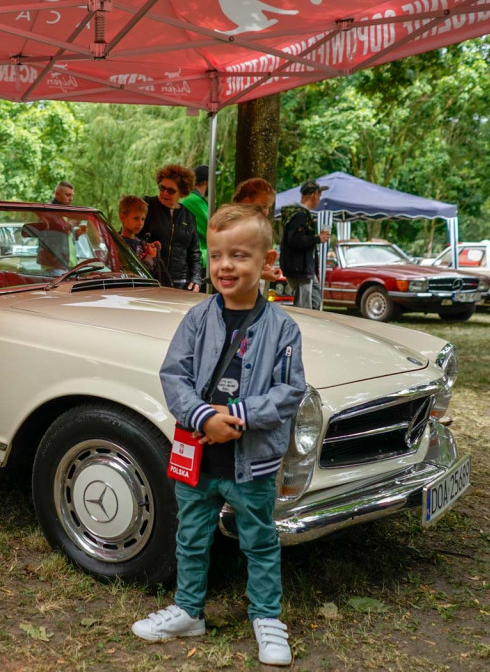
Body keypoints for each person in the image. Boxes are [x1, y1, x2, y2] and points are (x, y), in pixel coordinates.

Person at [132, 202, 305, 667]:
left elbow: (290, 391)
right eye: (216, 255)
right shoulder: (196, 318)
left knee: (259, 541)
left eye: (240, 255)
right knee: (190, 536)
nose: (225, 266)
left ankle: (266, 617)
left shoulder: (283, 328)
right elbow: (174, 376)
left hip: (251, 464)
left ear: (267, 262)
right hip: (198, 457)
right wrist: (202, 416)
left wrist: (243, 416)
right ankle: (189, 610)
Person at [139, 164, 202, 291]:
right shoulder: (147, 205)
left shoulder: (188, 216)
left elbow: (194, 252)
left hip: (180, 282)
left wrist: (196, 278)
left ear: (182, 192)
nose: (164, 193)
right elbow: (128, 234)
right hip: (150, 278)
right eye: (162, 188)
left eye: (171, 190)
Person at [279, 180, 330, 309]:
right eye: (319, 195)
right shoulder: (300, 215)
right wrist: (317, 239)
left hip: (305, 268)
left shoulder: (302, 214)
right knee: (303, 306)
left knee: (315, 300)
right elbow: (295, 240)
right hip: (299, 268)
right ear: (314, 195)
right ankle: (302, 328)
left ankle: (312, 326)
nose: (319, 199)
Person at [117, 195, 170, 286]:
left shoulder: (140, 243)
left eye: (143, 219)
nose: (140, 223)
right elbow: (137, 273)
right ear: (122, 218)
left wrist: (151, 250)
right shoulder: (119, 245)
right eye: (136, 218)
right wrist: (150, 257)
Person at [181, 164, 210, 271]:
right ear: (207, 182)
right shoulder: (194, 201)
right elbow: (213, 228)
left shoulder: (189, 199)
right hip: (200, 259)